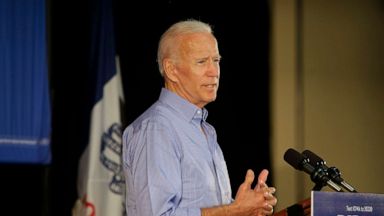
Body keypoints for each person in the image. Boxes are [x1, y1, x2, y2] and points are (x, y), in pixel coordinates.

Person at [122, 19, 277, 216]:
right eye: (202, 62)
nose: (214, 72)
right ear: (171, 70)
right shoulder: (157, 128)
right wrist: (234, 209)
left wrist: (246, 209)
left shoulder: (204, 129)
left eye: (216, 61)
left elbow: (201, 207)